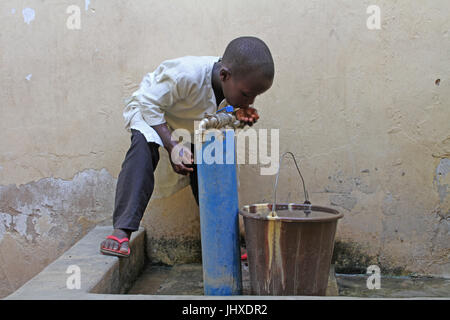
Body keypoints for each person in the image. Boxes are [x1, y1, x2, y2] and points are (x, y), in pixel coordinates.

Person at [100, 36, 275, 257]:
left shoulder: (232, 85)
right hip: (151, 113)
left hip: (189, 127)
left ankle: (225, 241)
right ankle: (121, 230)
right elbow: (148, 102)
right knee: (143, 149)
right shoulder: (187, 73)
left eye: (255, 97)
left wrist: (239, 118)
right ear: (224, 76)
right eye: (247, 95)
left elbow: (220, 120)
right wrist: (172, 145)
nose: (250, 102)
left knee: (210, 165)